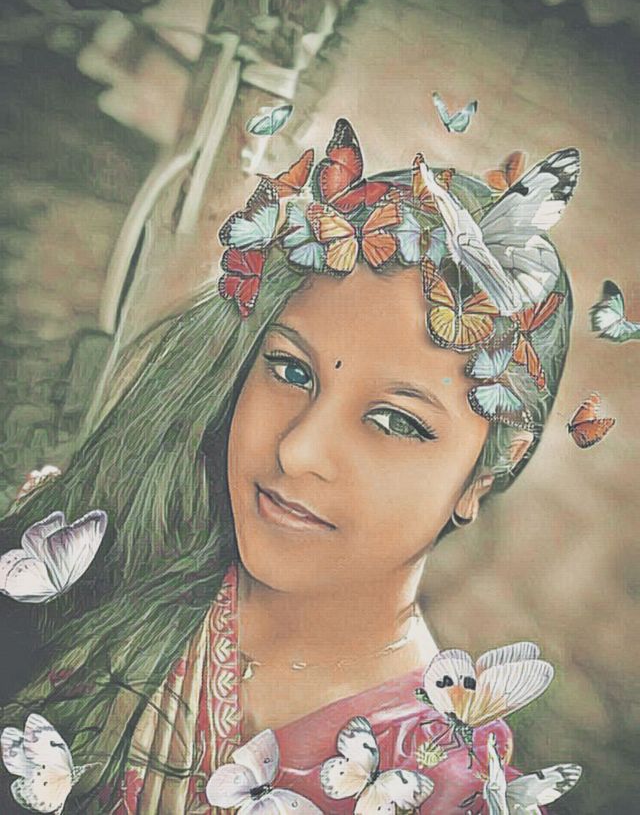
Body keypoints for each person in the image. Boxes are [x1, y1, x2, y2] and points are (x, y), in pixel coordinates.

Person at [0, 119, 575, 814]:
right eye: (290, 370)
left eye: (396, 420)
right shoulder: (117, 553)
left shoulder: (445, 785)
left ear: (480, 478)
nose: (299, 449)